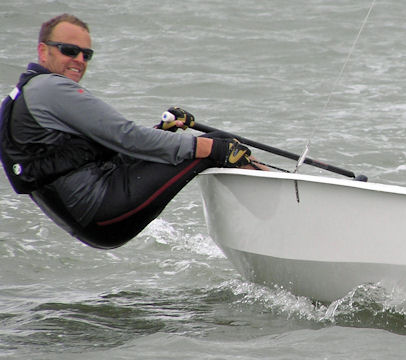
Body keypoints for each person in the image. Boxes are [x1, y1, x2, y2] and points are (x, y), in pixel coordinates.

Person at [0, 14, 255, 250]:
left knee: (214, 146)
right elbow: (127, 137)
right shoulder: (51, 88)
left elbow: (103, 146)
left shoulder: (22, 96)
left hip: (90, 219)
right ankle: (282, 210)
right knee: (219, 144)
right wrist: (214, 149)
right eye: (69, 50)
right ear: (43, 51)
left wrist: (161, 131)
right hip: (102, 213)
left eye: (86, 54)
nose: (79, 59)